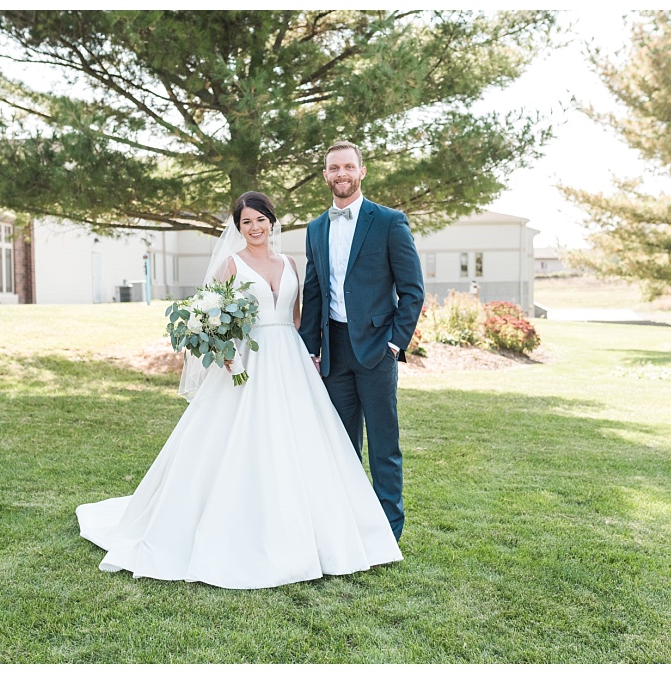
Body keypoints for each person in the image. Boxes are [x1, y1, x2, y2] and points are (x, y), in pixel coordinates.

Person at [76, 191, 402, 590]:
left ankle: (322, 531)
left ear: (272, 221)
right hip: (248, 361)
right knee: (244, 441)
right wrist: (227, 356)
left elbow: (299, 317)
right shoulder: (230, 265)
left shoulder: (289, 263)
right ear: (238, 227)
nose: (255, 228)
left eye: (261, 220)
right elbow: (210, 320)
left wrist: (312, 355)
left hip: (291, 359)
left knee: (304, 443)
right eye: (246, 222)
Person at [299, 141, 425, 542]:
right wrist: (310, 351)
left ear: (361, 171)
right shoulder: (316, 228)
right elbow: (315, 292)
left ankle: (388, 531)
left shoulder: (388, 222)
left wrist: (394, 343)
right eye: (333, 168)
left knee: (384, 446)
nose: (341, 174)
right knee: (341, 445)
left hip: (376, 349)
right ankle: (349, 524)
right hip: (334, 351)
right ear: (325, 175)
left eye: (348, 167)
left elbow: (413, 290)